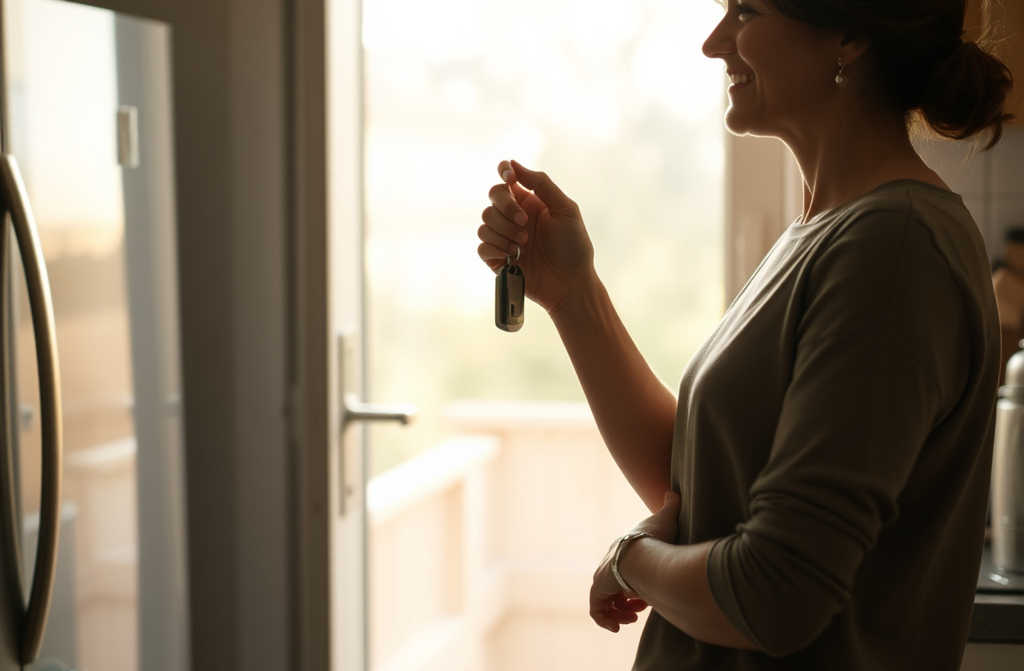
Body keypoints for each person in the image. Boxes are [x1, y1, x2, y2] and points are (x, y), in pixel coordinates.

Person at [476, 0, 1012, 668]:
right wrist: (571, 293)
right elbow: (700, 487)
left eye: (746, 11)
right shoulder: (829, 230)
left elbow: (774, 592)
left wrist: (632, 560)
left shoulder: (894, 248)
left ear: (849, 35)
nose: (713, 43)